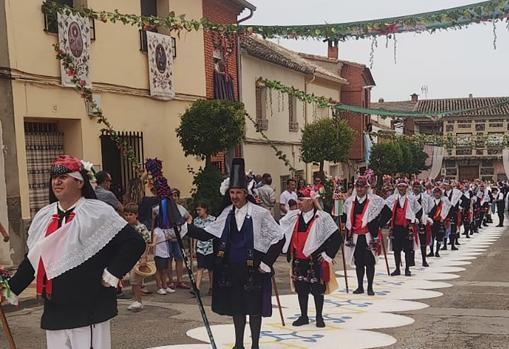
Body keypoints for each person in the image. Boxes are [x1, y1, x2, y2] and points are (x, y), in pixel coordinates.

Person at [2, 155, 145, 348]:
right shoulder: (45, 216)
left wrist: (111, 274)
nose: (56, 181)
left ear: (79, 182)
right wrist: (8, 290)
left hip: (89, 307)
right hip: (55, 310)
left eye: (63, 177)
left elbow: (134, 243)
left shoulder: (97, 212)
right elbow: (33, 260)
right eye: (54, 177)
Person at [183, 158, 285, 349]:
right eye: (232, 192)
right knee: (238, 308)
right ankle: (239, 344)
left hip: (255, 268)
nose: (235, 196)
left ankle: (255, 344)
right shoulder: (227, 213)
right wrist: (183, 227)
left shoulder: (260, 213)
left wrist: (267, 263)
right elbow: (206, 233)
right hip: (232, 268)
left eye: (238, 192)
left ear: (246, 193)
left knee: (254, 309)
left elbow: (279, 237)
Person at [279, 186, 341, 327]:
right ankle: (304, 316)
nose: (298, 203)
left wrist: (327, 255)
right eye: (298, 200)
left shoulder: (323, 217)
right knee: (301, 289)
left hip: (315, 260)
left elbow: (336, 238)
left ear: (310, 201)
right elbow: (282, 230)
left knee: (317, 290)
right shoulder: (293, 217)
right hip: (298, 260)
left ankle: (319, 316)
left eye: (301, 200)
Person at [343, 177, 389, 295]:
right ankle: (360, 286)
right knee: (359, 263)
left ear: (366, 188)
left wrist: (378, 225)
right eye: (357, 187)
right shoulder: (349, 201)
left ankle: (370, 287)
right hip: (355, 237)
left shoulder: (375, 201)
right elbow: (344, 216)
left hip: (369, 236)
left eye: (362, 187)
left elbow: (388, 213)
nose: (359, 189)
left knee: (369, 262)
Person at [386, 179, 421, 277]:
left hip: (407, 227)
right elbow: (386, 210)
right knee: (396, 249)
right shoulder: (392, 199)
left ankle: (407, 269)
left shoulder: (411, 199)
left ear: (406, 188)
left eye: (403, 187)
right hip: (396, 227)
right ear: (397, 188)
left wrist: (416, 219)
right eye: (400, 187)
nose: (401, 189)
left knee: (407, 249)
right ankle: (397, 268)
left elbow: (419, 210)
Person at [124, 203, 152, 311]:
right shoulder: (125, 228)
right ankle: (136, 300)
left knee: (135, 280)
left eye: (130, 214)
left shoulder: (141, 228)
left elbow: (146, 243)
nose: (128, 217)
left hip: (138, 257)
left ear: (136, 215)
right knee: (132, 281)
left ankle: (138, 301)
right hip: (129, 257)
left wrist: (144, 257)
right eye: (126, 214)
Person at [192, 202, 216, 297]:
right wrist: (194, 248)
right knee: (200, 267)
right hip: (200, 247)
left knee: (211, 269)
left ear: (205, 209)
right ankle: (196, 288)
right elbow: (195, 236)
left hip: (210, 247)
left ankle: (211, 287)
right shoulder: (196, 221)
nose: (198, 212)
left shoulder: (213, 220)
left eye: (200, 209)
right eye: (197, 210)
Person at [411, 181, 431, 267]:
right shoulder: (409, 197)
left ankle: (424, 260)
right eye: (414, 187)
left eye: (418, 187)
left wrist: (427, 217)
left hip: (422, 221)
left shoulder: (426, 197)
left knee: (423, 241)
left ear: (421, 188)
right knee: (411, 241)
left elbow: (431, 208)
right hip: (412, 222)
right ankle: (411, 260)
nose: (416, 188)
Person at [427, 187, 451, 257]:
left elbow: (447, 210)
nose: (437, 194)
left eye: (438, 193)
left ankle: (437, 251)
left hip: (440, 222)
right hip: (432, 222)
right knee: (431, 237)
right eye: (435, 193)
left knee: (439, 237)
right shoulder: (431, 201)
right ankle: (431, 252)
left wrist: (445, 219)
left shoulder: (444, 202)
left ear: (441, 194)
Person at [152, 224, 175, 295]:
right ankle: (159, 287)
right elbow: (154, 239)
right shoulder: (156, 230)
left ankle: (165, 286)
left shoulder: (164, 230)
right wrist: (153, 245)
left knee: (164, 270)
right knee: (158, 270)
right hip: (159, 254)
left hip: (166, 253)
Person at [443, 181, 463, 251]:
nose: (445, 187)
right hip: (445, 213)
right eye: (444, 185)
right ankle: (444, 245)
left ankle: (453, 245)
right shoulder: (443, 193)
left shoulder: (456, 193)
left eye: (446, 185)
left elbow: (464, 200)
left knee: (453, 229)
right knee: (445, 229)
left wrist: (460, 207)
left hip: (453, 213)